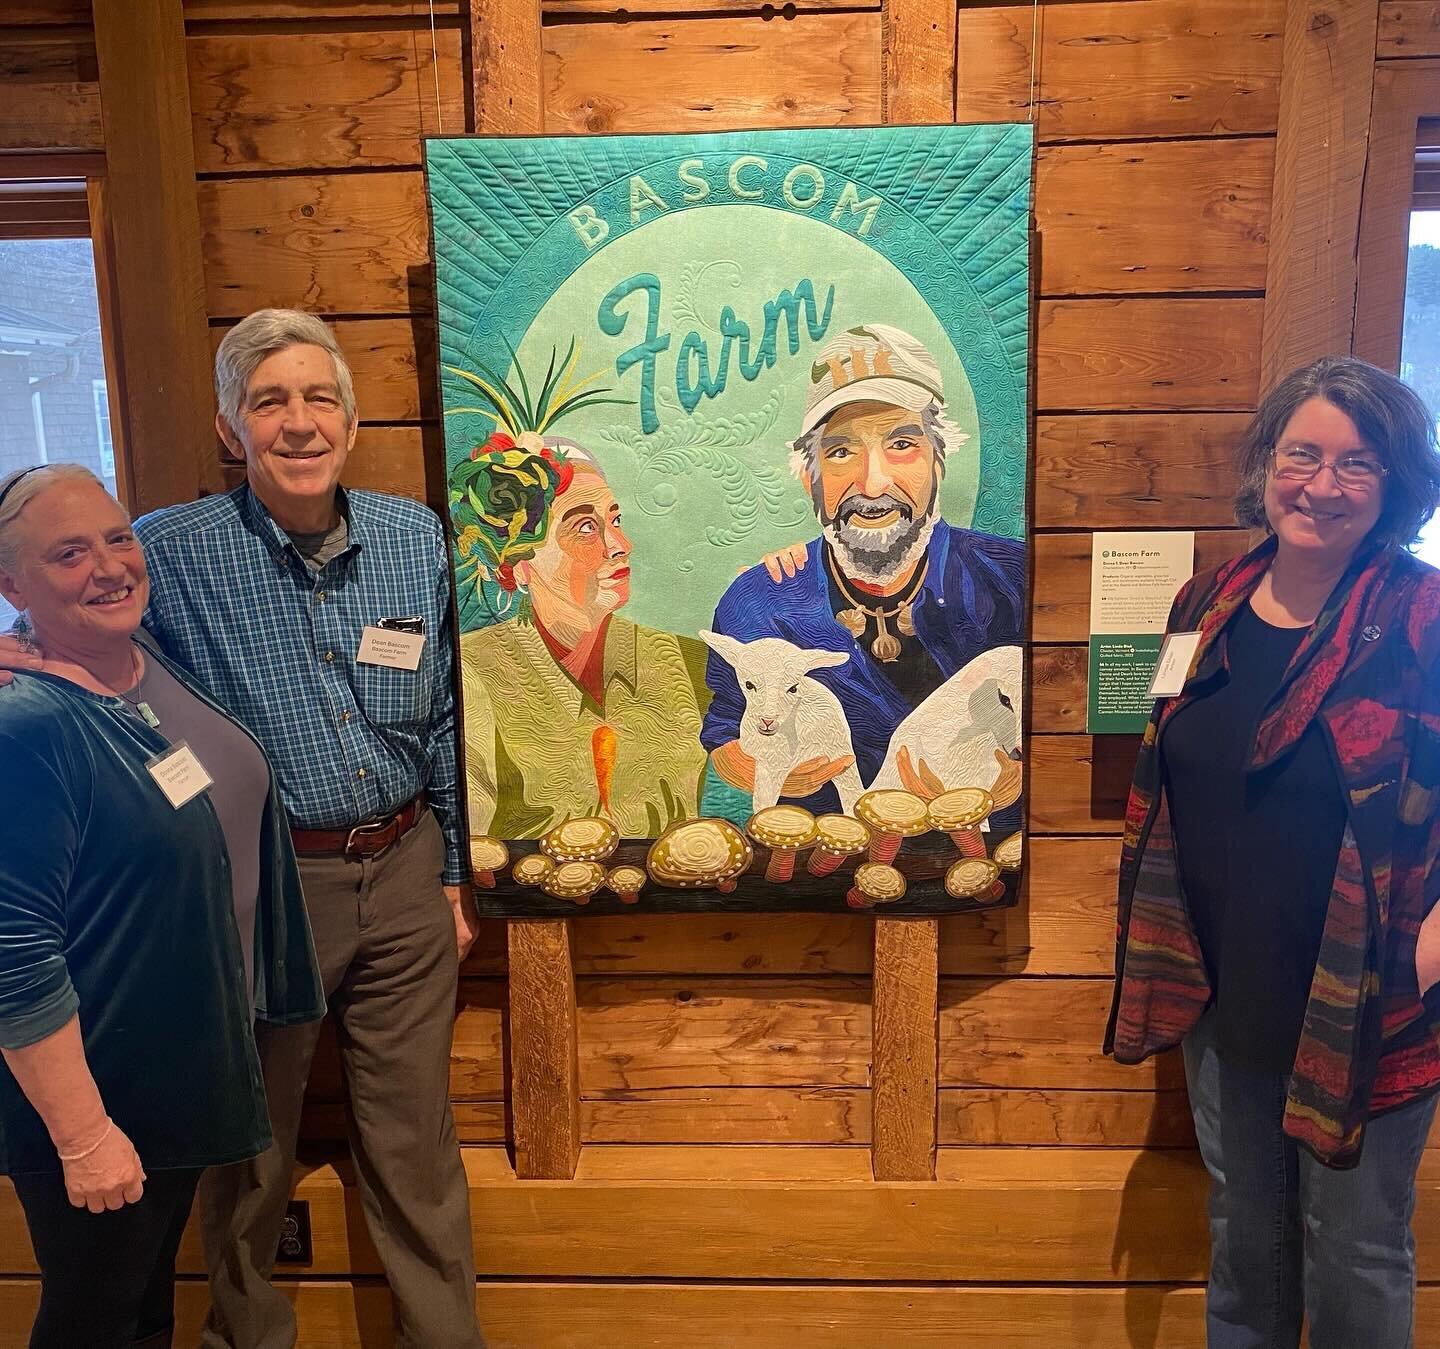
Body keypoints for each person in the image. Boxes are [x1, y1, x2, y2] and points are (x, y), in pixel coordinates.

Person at [1, 310, 484, 1347]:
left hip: (403, 868)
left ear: (351, 421)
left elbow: (447, 709)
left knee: (416, 1144)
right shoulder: (167, 548)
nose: (298, 423)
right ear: (231, 427)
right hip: (269, 890)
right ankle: (245, 1335)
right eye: (270, 401)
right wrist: (10, 653)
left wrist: (450, 867)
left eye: (319, 399)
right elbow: (68, 601)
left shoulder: (416, 538)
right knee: (250, 1146)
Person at [1105, 355, 1440, 1348]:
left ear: (1395, 484)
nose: (1321, 485)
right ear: (1267, 464)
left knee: (1355, 1250)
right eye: (1303, 453)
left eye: (1356, 464)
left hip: (1366, 995)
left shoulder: (1424, 616)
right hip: (1221, 988)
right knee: (1243, 1239)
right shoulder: (1205, 606)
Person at [0, 464, 324, 1348]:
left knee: (140, 1307)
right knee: (94, 1315)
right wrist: (83, 1135)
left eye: (117, 537)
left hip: (171, 1073)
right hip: (101, 1086)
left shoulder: (138, 669)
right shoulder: (25, 722)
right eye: (69, 552)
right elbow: (11, 949)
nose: (109, 565)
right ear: (13, 584)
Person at [700, 323, 1025, 818]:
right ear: (810, 476)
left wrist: (1017, 774)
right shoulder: (758, 604)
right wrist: (759, 764)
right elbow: (724, 729)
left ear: (938, 463)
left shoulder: (1012, 580)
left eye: (900, 445)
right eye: (841, 451)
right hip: (824, 865)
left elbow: (1064, 713)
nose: (873, 485)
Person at [458, 441, 711, 839]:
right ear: (519, 564)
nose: (620, 546)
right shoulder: (473, 670)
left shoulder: (688, 659)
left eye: (616, 520)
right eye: (586, 528)